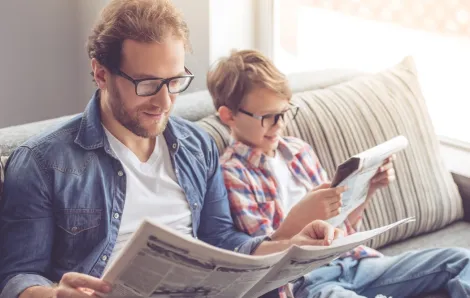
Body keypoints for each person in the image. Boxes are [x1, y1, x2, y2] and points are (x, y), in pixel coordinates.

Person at [0, 1, 344, 298]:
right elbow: (16, 277)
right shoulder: (43, 162)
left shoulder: (198, 147)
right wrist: (53, 294)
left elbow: (222, 241)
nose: (164, 102)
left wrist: (292, 246)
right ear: (101, 74)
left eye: (175, 81)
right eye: (147, 83)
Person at [208, 49, 470, 298]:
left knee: (462, 259)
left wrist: (368, 190)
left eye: (284, 113)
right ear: (228, 116)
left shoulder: (299, 151)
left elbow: (341, 226)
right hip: (308, 281)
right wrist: (301, 219)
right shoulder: (232, 175)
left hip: (355, 262)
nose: (280, 125)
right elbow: (266, 257)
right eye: (268, 117)